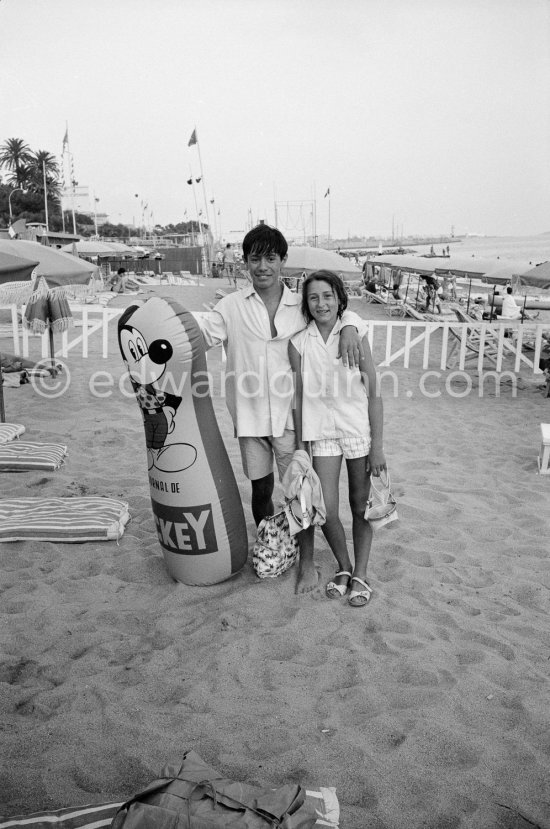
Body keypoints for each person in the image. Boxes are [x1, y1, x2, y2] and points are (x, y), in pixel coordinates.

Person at [197, 224, 364, 594]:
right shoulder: (230, 306)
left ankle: (307, 562)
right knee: (260, 488)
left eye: (270, 257)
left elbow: (335, 313)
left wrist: (351, 325)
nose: (263, 266)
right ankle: (272, 543)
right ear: (245, 262)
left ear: (282, 261)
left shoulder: (299, 306)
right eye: (255, 258)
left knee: (300, 491)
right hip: (249, 415)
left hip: (294, 418)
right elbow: (196, 335)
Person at [288, 270, 386, 608]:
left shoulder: (354, 330)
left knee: (361, 507)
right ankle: (343, 566)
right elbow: (299, 397)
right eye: (313, 297)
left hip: (357, 430)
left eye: (327, 296)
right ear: (307, 304)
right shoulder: (300, 343)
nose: (321, 303)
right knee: (325, 508)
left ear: (339, 297)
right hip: (322, 434)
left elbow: (373, 391)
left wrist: (379, 446)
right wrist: (301, 445)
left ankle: (361, 572)